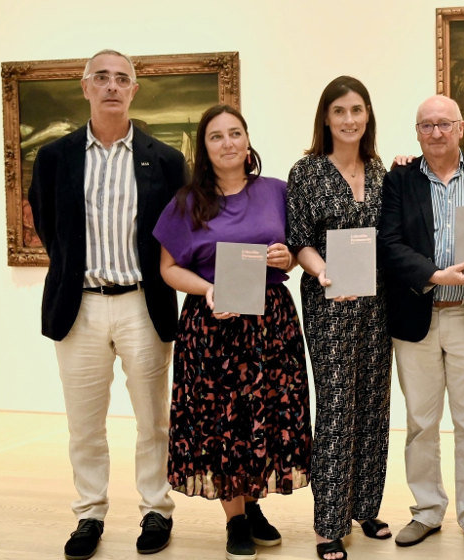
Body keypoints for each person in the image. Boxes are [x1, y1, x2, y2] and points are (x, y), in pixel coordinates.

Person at [28, 49, 185, 560]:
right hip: (81, 307)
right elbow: (51, 228)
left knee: (152, 420)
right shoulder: (55, 157)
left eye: (122, 79)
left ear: (135, 90)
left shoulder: (164, 159)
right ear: (85, 87)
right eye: (103, 78)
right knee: (85, 424)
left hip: (143, 302)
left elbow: (180, 232)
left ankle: (156, 508)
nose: (112, 86)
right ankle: (89, 514)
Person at [152, 105, 312, 560]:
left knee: (263, 417)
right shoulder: (188, 202)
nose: (227, 143)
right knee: (222, 422)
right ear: (204, 148)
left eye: (235, 133)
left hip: (269, 324)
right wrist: (208, 289)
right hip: (214, 326)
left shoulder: (278, 192)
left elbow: (296, 250)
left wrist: (288, 259)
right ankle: (235, 519)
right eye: (216, 137)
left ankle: (254, 505)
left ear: (248, 140)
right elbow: (168, 269)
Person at [378, 94, 464, 552]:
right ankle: (428, 510)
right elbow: (388, 243)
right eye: (426, 125)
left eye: (444, 124)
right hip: (418, 315)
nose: (435, 133)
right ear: (417, 132)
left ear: (460, 129)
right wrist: (433, 275)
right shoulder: (398, 179)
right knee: (420, 421)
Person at [286, 76, 394, 560]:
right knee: (335, 403)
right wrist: (324, 270)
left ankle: (365, 504)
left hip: (376, 301)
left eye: (357, 110)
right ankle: (330, 522)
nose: (349, 119)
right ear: (325, 119)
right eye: (340, 111)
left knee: (373, 399)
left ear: (367, 115)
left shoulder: (381, 171)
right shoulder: (306, 172)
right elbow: (298, 239)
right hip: (328, 300)